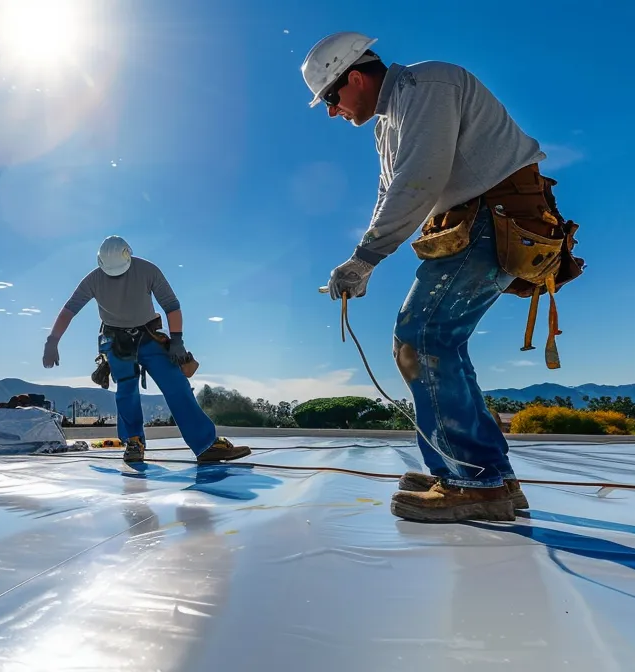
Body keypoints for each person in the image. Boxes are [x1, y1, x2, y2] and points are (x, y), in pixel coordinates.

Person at [302, 31, 560, 523]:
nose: (332, 111)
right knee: (441, 340)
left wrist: (369, 255)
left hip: (495, 215)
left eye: (331, 99)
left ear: (355, 77)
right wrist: (361, 262)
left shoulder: (427, 84)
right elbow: (390, 192)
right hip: (478, 222)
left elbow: (421, 176)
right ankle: (483, 474)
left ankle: (474, 481)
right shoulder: (388, 123)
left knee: (421, 337)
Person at [42, 236, 251, 464]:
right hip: (117, 339)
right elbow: (70, 309)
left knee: (176, 383)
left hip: (147, 336)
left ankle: (206, 445)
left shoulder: (147, 270)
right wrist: (52, 340)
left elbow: (171, 305)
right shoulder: (93, 280)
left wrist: (177, 340)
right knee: (127, 390)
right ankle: (134, 442)